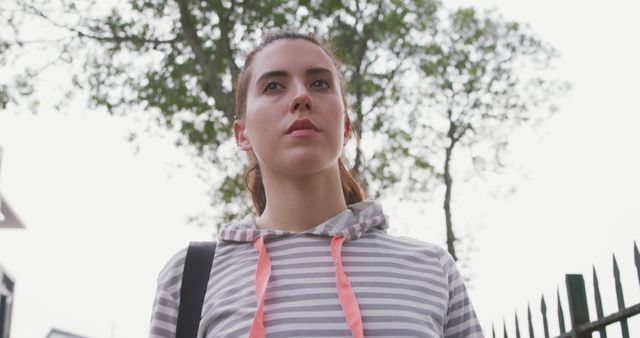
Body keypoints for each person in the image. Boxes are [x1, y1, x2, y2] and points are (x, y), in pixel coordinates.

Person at [149, 31, 484, 338]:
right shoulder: (190, 278)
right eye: (274, 86)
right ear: (242, 134)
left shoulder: (431, 267)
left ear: (346, 126)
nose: (301, 97)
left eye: (320, 83)